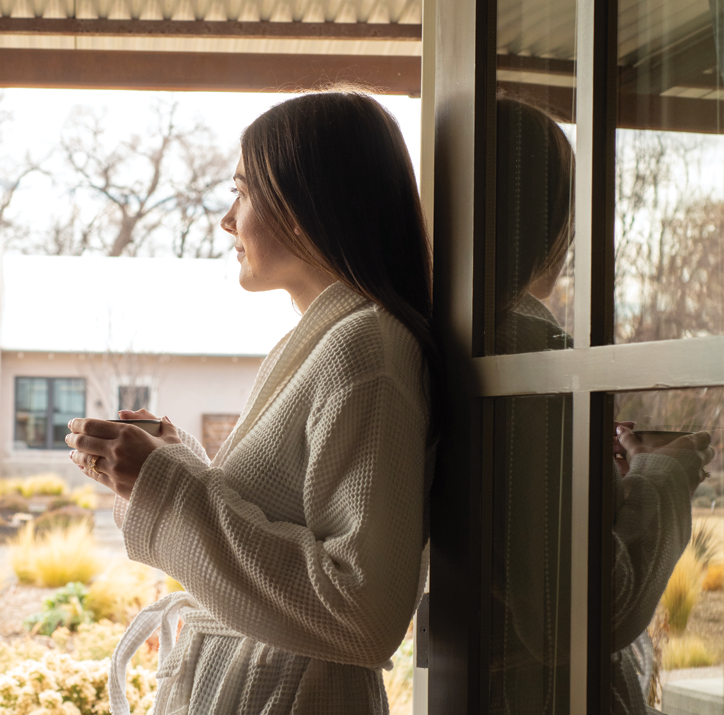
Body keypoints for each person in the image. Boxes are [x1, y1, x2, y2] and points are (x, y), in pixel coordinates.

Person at [64, 88, 440, 714]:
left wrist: (168, 483)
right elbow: (282, 520)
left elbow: (364, 613)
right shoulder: (322, 340)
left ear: (305, 202)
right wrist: (166, 462)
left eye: (242, 191)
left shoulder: (365, 351)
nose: (227, 219)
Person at [491, 98, 716, 714]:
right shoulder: (533, 362)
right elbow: (594, 606)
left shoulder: (458, 349)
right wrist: (665, 472)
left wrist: (604, 486)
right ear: (560, 224)